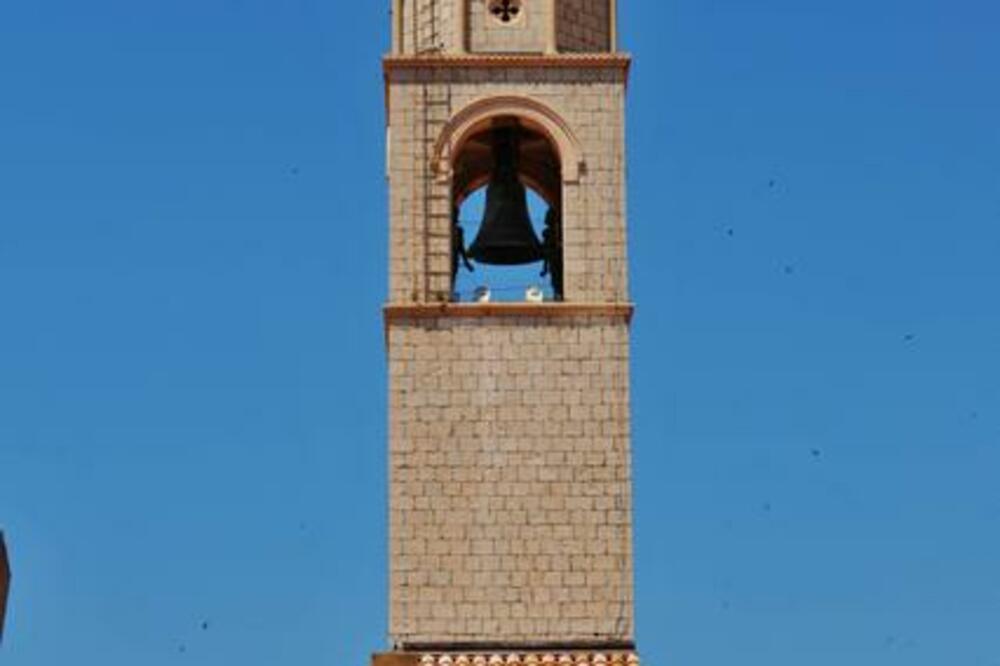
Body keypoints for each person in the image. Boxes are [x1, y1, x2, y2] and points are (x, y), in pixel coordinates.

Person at [540, 204, 563, 300]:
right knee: (555, 280)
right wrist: (545, 268)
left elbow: (546, 252)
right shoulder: (547, 233)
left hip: (557, 260)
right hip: (553, 260)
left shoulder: (551, 233)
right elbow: (546, 253)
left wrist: (545, 268)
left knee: (557, 280)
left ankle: (559, 294)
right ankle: (558, 294)